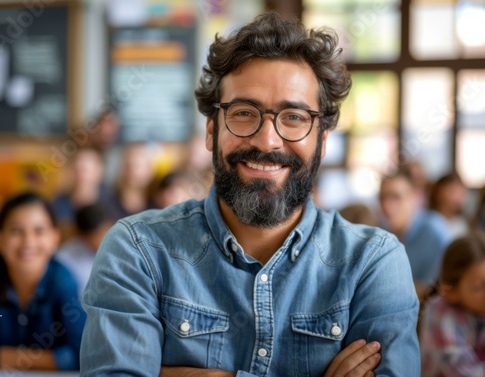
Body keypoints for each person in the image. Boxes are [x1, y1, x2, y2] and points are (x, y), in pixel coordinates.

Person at [81, 12, 420, 376]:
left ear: (322, 140)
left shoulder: (373, 262)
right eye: (244, 113)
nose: (267, 140)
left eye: (293, 117)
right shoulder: (138, 250)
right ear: (212, 131)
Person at [0, 192, 86, 371]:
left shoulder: (65, 283)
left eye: (39, 231)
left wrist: (1, 358)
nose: (28, 242)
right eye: (16, 231)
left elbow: (81, 356)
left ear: (55, 238)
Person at [419, 231, 485, 376]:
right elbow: (468, 373)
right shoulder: (441, 316)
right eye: (480, 287)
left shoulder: (479, 308)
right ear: (450, 292)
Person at [379, 168, 452, 298]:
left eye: (396, 197)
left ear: (414, 198)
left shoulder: (433, 231)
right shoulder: (383, 232)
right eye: (382, 197)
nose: (386, 205)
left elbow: (434, 290)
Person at [56, 202, 114, 298]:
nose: (104, 239)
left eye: (107, 231)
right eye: (97, 236)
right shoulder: (64, 259)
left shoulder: (123, 249)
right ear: (83, 236)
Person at [52, 147, 107, 241]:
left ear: (100, 171)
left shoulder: (111, 204)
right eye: (76, 169)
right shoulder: (57, 204)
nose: (80, 174)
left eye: (85, 169)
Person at [106, 142, 156, 221]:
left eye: (138, 167)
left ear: (150, 171)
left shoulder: (156, 203)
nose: (133, 172)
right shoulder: (109, 203)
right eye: (128, 166)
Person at [428, 172, 470, 240]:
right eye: (452, 191)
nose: (457, 197)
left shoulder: (461, 224)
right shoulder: (430, 221)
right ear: (438, 192)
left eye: (461, 193)